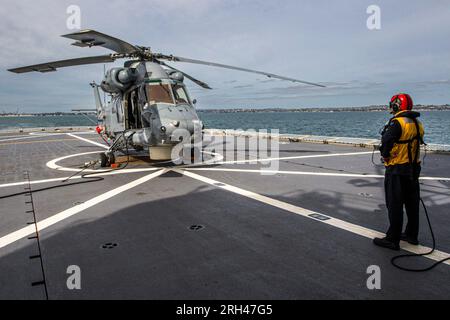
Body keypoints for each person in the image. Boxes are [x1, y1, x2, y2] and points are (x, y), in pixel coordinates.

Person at [373, 93, 425, 250]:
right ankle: (411, 235)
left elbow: (386, 140)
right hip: (413, 169)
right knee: (412, 203)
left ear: (396, 105)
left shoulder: (397, 123)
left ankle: (392, 239)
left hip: (397, 169)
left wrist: (385, 154)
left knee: (394, 204)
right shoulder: (417, 122)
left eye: (392, 104)